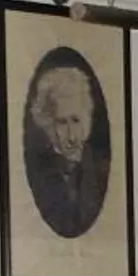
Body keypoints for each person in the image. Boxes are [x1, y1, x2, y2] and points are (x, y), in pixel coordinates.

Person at [21, 50, 113, 239]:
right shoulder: (39, 171)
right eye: (62, 122)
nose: (71, 136)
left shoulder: (98, 167)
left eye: (76, 120)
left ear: (86, 119)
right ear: (48, 124)